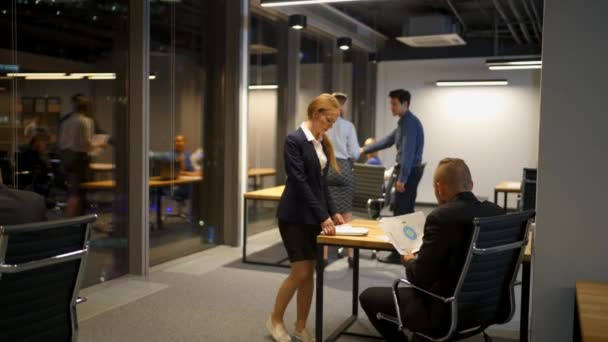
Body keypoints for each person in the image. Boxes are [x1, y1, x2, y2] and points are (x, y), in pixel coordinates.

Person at [359, 158, 503, 341]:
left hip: (443, 310)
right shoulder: (496, 213)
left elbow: (419, 279)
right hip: (486, 305)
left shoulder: (441, 218)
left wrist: (409, 259)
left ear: (439, 188)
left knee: (368, 296)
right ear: (471, 184)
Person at [268, 94, 344, 342]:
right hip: (294, 216)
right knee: (300, 273)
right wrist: (323, 215)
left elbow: (321, 185)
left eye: (333, 121)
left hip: (313, 217)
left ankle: (301, 326)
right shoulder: (295, 140)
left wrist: (333, 212)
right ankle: (275, 320)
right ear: (316, 114)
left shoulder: (320, 141)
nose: (330, 125)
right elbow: (299, 182)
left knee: (309, 273)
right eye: (328, 120)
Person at [361, 89, 425, 264]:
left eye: (394, 103)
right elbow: (387, 141)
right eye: (391, 103)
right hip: (408, 171)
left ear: (405, 104)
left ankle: (400, 254)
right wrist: (365, 149)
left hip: (409, 173)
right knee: (403, 211)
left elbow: (407, 154)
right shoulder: (403, 122)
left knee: (402, 213)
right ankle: (407, 252)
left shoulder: (410, 123)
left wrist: (402, 179)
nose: (391, 106)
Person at [325, 92, 360, 268]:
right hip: (344, 168)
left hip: (327, 166)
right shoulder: (348, 126)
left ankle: (323, 257)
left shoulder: (325, 124)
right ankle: (351, 256)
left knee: (325, 212)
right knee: (346, 215)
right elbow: (355, 153)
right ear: (342, 107)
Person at [57, 94, 103, 217]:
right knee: (80, 191)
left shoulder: (66, 121)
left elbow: (61, 143)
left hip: (67, 158)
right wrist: (99, 145)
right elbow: (87, 143)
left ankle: (70, 217)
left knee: (72, 190)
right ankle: (78, 218)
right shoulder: (86, 122)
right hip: (80, 160)